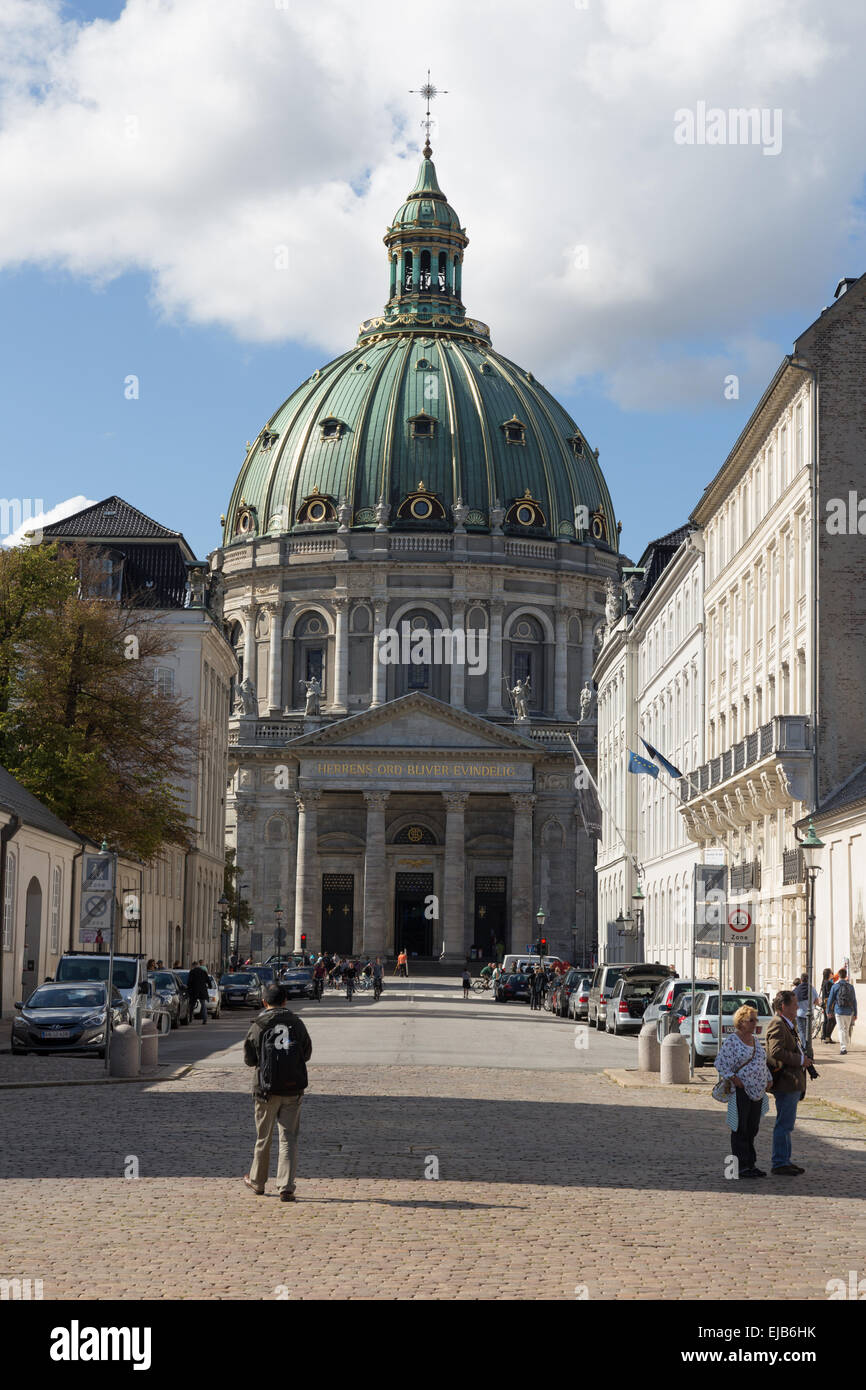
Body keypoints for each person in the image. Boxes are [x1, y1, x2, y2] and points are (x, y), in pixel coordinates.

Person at [243, 984, 312, 1202]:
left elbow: (249, 1059)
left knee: (263, 1137)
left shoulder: (259, 1024)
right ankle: (286, 1186)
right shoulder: (297, 1023)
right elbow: (307, 1052)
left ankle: (257, 1181)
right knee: (288, 1138)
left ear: (265, 1002)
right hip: (293, 1088)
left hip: (265, 1089)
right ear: (285, 1002)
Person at [714, 1004, 773, 1178]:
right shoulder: (733, 1041)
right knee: (740, 1128)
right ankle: (739, 1167)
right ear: (741, 1022)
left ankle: (750, 1163)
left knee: (752, 1128)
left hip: (758, 1091)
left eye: (756, 1019)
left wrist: (768, 1078)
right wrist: (734, 1078)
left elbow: (761, 1061)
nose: (755, 1023)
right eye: (751, 1020)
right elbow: (721, 1063)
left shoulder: (755, 1040)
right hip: (741, 1090)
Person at [765, 989, 808, 1176]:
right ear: (784, 1006)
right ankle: (779, 1162)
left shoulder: (788, 1024)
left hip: (793, 1082)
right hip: (785, 1081)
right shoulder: (777, 1024)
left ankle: (785, 1160)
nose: (797, 1006)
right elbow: (775, 1051)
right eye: (794, 1003)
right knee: (784, 1124)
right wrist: (799, 1060)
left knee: (788, 1124)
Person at [827, 968, 858, 1055]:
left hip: (839, 1010)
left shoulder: (835, 986)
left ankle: (843, 1048)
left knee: (841, 1029)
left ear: (839, 976)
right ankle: (845, 1043)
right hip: (849, 1011)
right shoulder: (851, 987)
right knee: (846, 1029)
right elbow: (854, 1000)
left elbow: (830, 999)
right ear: (846, 976)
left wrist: (828, 1010)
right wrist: (855, 1013)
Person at [794, 973, 819, 1049]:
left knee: (802, 1032)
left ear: (801, 980)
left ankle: (805, 1047)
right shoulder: (812, 989)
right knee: (808, 1032)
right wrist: (811, 1004)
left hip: (799, 1013)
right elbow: (817, 1001)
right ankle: (808, 1047)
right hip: (810, 1013)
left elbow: (793, 1002)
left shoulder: (796, 989)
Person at [187, 958, 210, 1026]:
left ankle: (190, 1018)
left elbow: (189, 982)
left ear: (193, 966)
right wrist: (210, 986)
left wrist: (188, 988)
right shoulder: (203, 971)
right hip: (202, 990)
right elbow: (208, 980)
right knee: (203, 1005)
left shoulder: (192, 972)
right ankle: (205, 1019)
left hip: (194, 991)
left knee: (192, 1005)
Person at [819, 967, 835, 1042]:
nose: (833, 974)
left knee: (826, 1020)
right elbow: (829, 994)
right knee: (832, 1020)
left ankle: (824, 1036)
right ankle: (827, 1037)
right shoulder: (828, 983)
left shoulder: (824, 982)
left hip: (825, 1004)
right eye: (832, 973)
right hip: (829, 1004)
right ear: (829, 974)